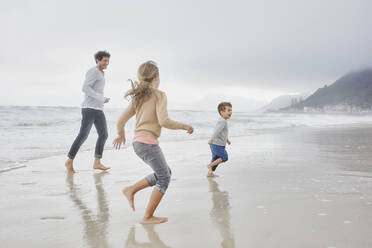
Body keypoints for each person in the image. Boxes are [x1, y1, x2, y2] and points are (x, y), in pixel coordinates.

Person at [113, 61, 193, 224]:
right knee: (164, 177)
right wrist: (184, 126)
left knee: (165, 172)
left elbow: (120, 120)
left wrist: (121, 135)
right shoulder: (159, 95)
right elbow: (163, 121)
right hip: (147, 144)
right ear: (156, 77)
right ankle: (147, 216)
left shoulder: (138, 98)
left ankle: (131, 189)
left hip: (138, 144)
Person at [65, 51, 111, 173]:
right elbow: (85, 88)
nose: (107, 63)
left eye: (108, 61)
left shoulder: (101, 73)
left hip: (98, 109)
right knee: (83, 135)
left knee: (104, 134)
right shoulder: (93, 71)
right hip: (89, 109)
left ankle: (97, 162)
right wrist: (102, 98)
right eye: (104, 60)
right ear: (98, 60)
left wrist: (102, 100)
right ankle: (69, 161)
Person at [207, 102, 232, 177]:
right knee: (224, 157)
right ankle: (210, 165)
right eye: (228, 110)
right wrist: (211, 139)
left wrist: (227, 140)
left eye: (231, 110)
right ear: (222, 112)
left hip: (217, 144)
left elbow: (222, 133)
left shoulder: (222, 121)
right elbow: (216, 131)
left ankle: (210, 173)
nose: (230, 112)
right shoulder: (222, 121)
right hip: (216, 144)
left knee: (215, 160)